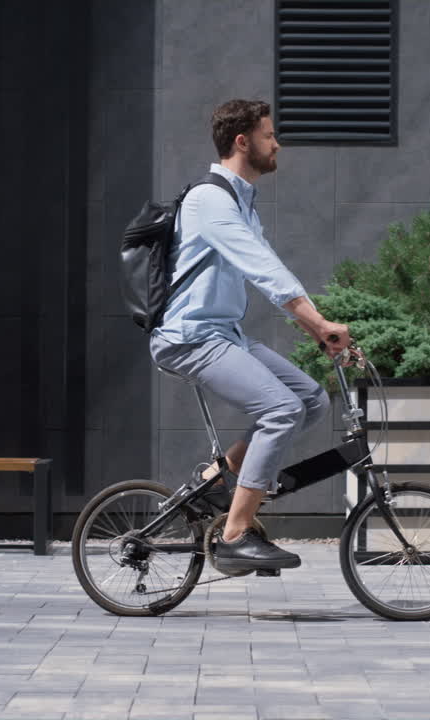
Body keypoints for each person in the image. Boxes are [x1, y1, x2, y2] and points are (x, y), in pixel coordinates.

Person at [149, 99, 353, 572]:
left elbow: (271, 275)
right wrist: (321, 324)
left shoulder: (240, 201)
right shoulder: (210, 199)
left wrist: (317, 329)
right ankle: (236, 534)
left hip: (223, 333)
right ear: (242, 142)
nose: (276, 143)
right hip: (189, 337)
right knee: (280, 409)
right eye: (268, 135)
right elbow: (265, 272)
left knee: (309, 400)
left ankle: (216, 479)